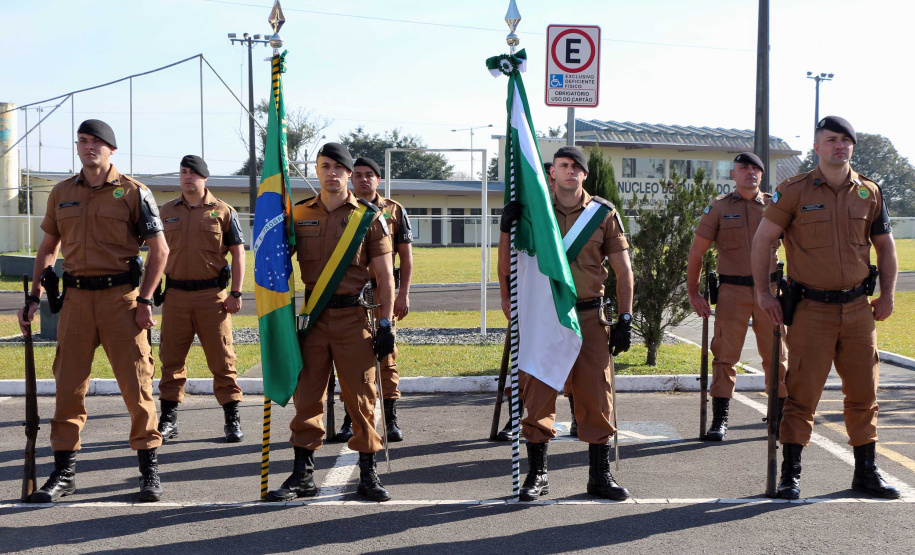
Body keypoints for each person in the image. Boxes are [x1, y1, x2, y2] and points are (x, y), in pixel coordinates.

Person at [17, 119, 168, 502]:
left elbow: (160, 250)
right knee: (68, 387)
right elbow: (49, 248)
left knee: (137, 385)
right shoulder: (62, 192)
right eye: (82, 141)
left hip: (122, 301)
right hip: (77, 302)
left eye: (96, 142)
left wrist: (146, 299)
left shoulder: (134, 192)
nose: (87, 147)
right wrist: (34, 296)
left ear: (111, 149)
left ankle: (148, 470)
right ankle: (64, 473)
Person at [752, 116, 900, 500]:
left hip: (856, 310)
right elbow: (763, 241)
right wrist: (765, 293)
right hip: (810, 310)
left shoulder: (869, 192)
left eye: (846, 140)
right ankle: (791, 473)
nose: (840, 146)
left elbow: (885, 247)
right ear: (816, 147)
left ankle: (865, 473)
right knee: (801, 393)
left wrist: (887, 295)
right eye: (831, 140)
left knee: (864, 393)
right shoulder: (793, 191)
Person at [498, 146, 634, 501]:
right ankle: (538, 475)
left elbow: (623, 270)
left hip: (588, 316)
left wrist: (625, 317)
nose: (570, 171)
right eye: (563, 166)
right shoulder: (533, 214)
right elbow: (509, 265)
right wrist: (505, 228)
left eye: (577, 167)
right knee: (539, 392)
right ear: (552, 173)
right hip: (543, 317)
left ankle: (599, 475)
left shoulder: (602, 214)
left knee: (595, 394)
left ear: (584, 175)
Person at [265, 143, 396, 503]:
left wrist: (385, 324)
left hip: (355, 318)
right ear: (318, 170)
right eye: (325, 167)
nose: (332, 174)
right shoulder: (298, 214)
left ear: (349, 175)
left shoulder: (369, 217)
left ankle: (368, 474)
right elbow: (275, 264)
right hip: (313, 319)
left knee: (361, 397)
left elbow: (386, 277)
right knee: (307, 397)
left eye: (340, 168)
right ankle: (302, 474)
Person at [687, 152, 788, 441]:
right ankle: (720, 420)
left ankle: (777, 415)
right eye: (744, 168)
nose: (751, 173)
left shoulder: (774, 206)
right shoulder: (718, 208)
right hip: (732, 291)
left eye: (756, 169)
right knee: (724, 357)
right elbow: (697, 252)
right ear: (733, 175)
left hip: (769, 291)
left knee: (776, 356)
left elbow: (794, 247)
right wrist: (693, 292)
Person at [156, 155, 246, 443]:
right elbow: (152, 250)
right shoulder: (166, 211)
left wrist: (236, 292)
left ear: (204, 178)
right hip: (176, 295)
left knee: (222, 359)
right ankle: (168, 418)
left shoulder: (223, 210)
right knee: (170, 359)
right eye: (183, 172)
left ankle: (232, 418)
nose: (187, 177)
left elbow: (238, 252)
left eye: (193, 173)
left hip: (212, 297)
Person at [332, 156, 413, 443]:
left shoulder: (394, 210)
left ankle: (390, 419)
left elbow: (405, 256)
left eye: (370, 175)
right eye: (358, 175)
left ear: (378, 179)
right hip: (351, 293)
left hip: (382, 291)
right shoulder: (340, 209)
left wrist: (403, 294)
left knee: (385, 355)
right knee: (349, 357)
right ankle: (349, 418)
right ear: (351, 179)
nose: (363, 179)